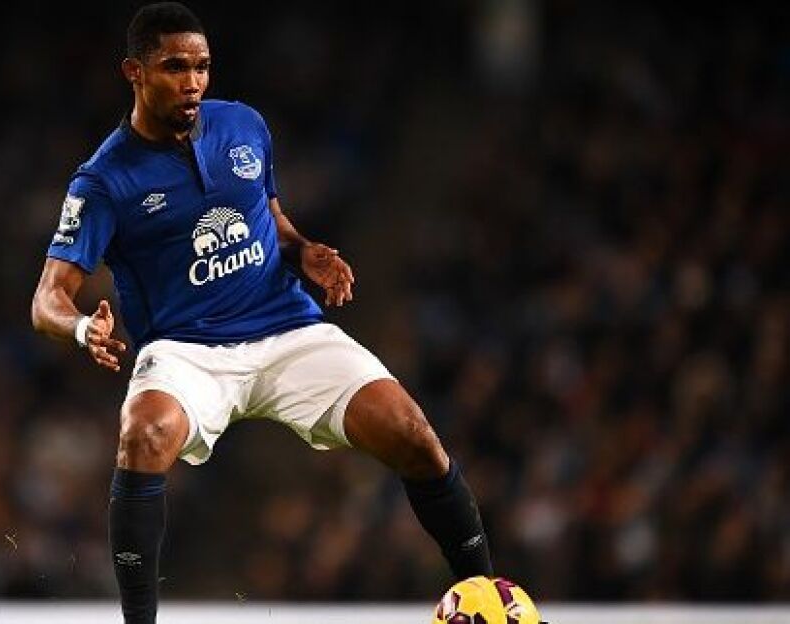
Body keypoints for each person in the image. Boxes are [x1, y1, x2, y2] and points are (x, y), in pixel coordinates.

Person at [31, 3, 493, 622]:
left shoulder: (243, 125)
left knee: (411, 430)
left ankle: (490, 599)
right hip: (187, 349)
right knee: (144, 433)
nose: (193, 82)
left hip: (285, 325)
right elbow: (47, 300)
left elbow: (268, 216)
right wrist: (82, 327)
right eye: (175, 67)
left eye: (202, 67)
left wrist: (304, 251)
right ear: (134, 72)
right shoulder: (103, 181)